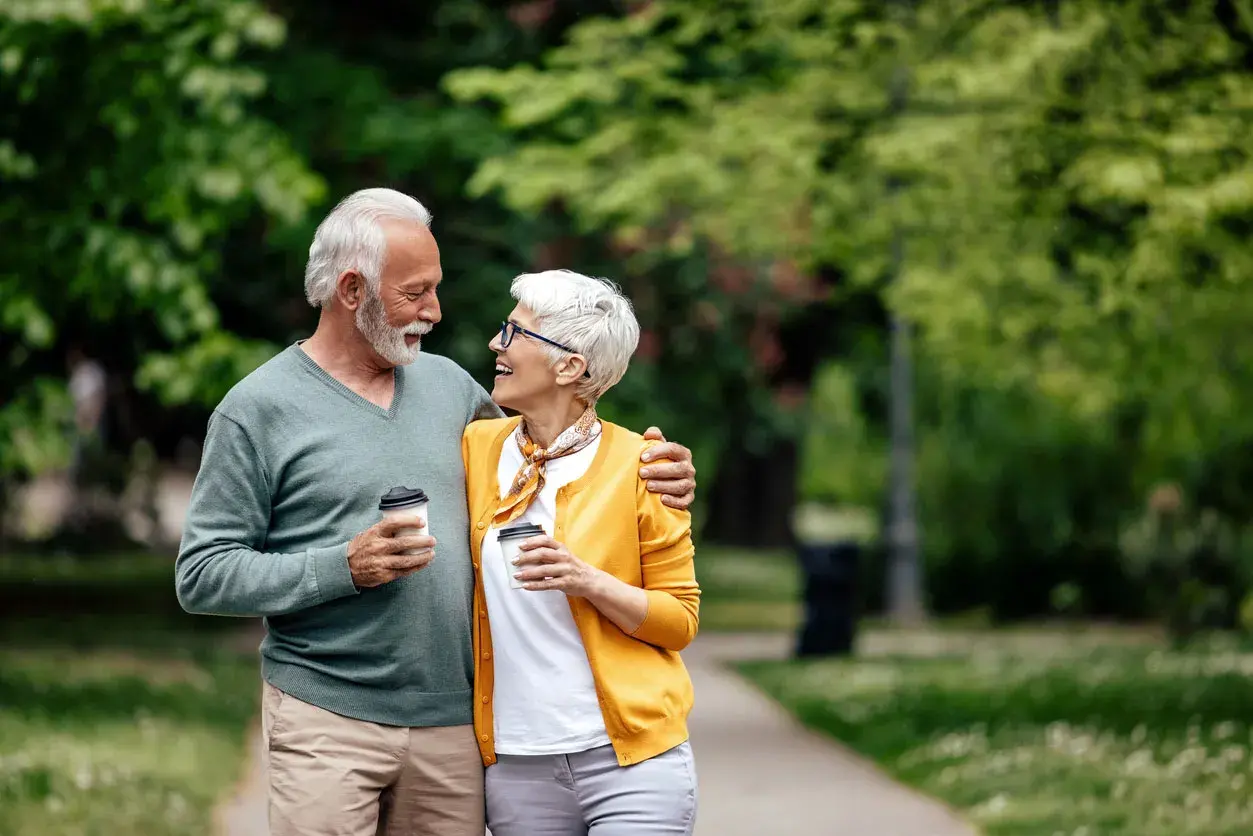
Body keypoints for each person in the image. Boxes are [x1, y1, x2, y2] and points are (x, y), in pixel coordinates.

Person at [175, 188, 697, 836]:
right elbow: (201, 574)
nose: (436, 311)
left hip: (455, 727)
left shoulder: (452, 387)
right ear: (351, 291)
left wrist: (660, 467)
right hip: (325, 715)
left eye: (435, 289)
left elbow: (553, 441)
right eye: (415, 293)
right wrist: (343, 566)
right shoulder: (258, 410)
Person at [461, 269, 700, 835]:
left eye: (516, 333)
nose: (497, 343)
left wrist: (586, 579)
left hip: (632, 764)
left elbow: (680, 621)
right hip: (517, 767)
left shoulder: (643, 466)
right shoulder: (474, 449)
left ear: (570, 366)